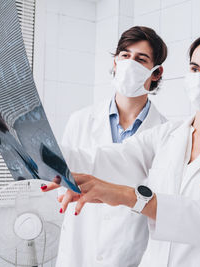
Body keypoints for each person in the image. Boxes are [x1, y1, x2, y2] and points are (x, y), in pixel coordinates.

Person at [42, 31, 200, 267]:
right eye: (195, 69)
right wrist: (36, 146)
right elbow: (104, 160)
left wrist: (130, 197)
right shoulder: (167, 135)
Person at [55, 26, 167, 267]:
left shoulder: (166, 134)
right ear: (115, 62)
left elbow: (160, 203)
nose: (130, 63)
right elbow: (60, 180)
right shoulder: (80, 120)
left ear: (156, 73)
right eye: (125, 55)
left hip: (129, 253)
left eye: (141, 59)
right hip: (80, 246)